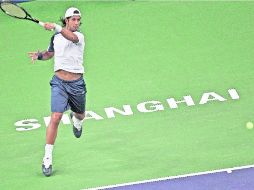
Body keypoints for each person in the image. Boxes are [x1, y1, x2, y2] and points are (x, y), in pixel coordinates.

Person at [28, 7, 87, 177]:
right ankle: (47, 158)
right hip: (59, 83)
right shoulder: (55, 38)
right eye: (73, 19)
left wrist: (55, 26)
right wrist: (40, 56)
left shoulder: (79, 37)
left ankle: (77, 120)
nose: (76, 23)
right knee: (55, 117)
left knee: (81, 114)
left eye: (78, 20)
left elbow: (72, 37)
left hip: (76, 84)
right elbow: (49, 54)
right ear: (66, 20)